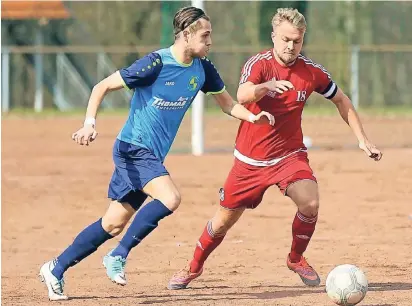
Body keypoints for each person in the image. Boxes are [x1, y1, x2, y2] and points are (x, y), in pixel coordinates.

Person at [39, 6, 276, 301]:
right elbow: (102, 86)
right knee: (170, 197)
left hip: (150, 155)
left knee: (112, 223)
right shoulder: (155, 63)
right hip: (132, 150)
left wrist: (252, 118)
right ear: (186, 35)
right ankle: (118, 255)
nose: (210, 41)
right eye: (205, 35)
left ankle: (55, 268)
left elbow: (228, 104)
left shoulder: (203, 69)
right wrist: (89, 123)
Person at [167, 7, 383, 290]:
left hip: (289, 156)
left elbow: (342, 100)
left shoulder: (311, 72)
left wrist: (362, 138)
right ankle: (193, 267)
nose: (291, 46)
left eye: (297, 40)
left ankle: (296, 258)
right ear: (273, 37)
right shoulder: (259, 64)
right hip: (249, 161)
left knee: (310, 202)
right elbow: (242, 95)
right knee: (222, 223)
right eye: (285, 39)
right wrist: (265, 87)